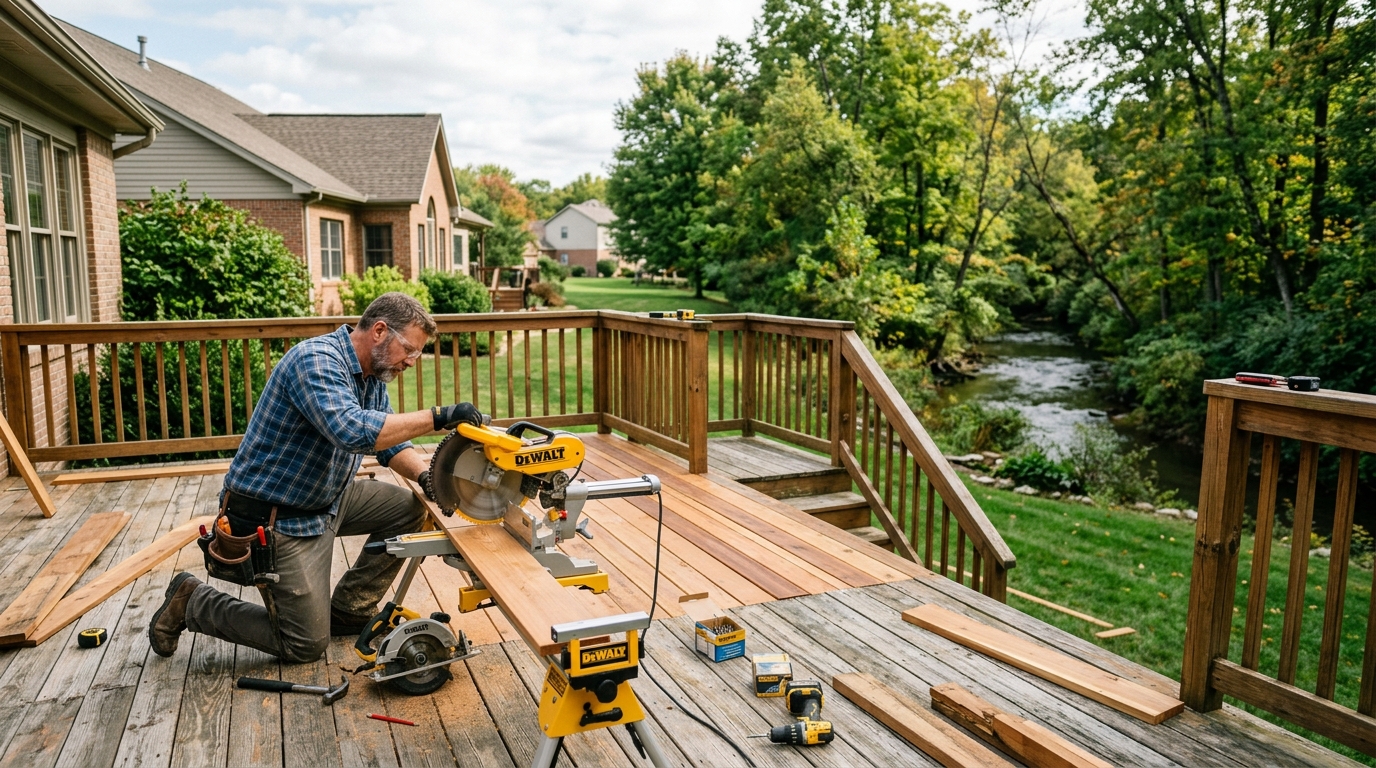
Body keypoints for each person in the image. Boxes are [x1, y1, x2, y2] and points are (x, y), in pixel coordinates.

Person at [147, 292, 483, 662]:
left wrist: (426, 479)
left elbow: (389, 445)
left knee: (408, 509)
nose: (412, 361)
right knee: (303, 644)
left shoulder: (369, 377)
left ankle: (348, 610)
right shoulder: (316, 361)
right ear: (380, 331)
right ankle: (192, 601)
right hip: (277, 517)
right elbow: (352, 431)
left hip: (326, 499)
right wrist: (440, 416)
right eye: (410, 350)